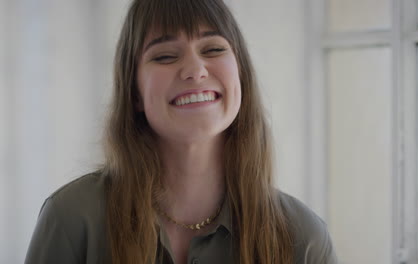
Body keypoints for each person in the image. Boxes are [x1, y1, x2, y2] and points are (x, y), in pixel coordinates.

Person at [25, 0, 338, 263]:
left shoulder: (304, 237)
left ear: (240, 75)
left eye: (213, 49)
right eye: (165, 56)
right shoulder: (71, 218)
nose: (195, 70)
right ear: (134, 92)